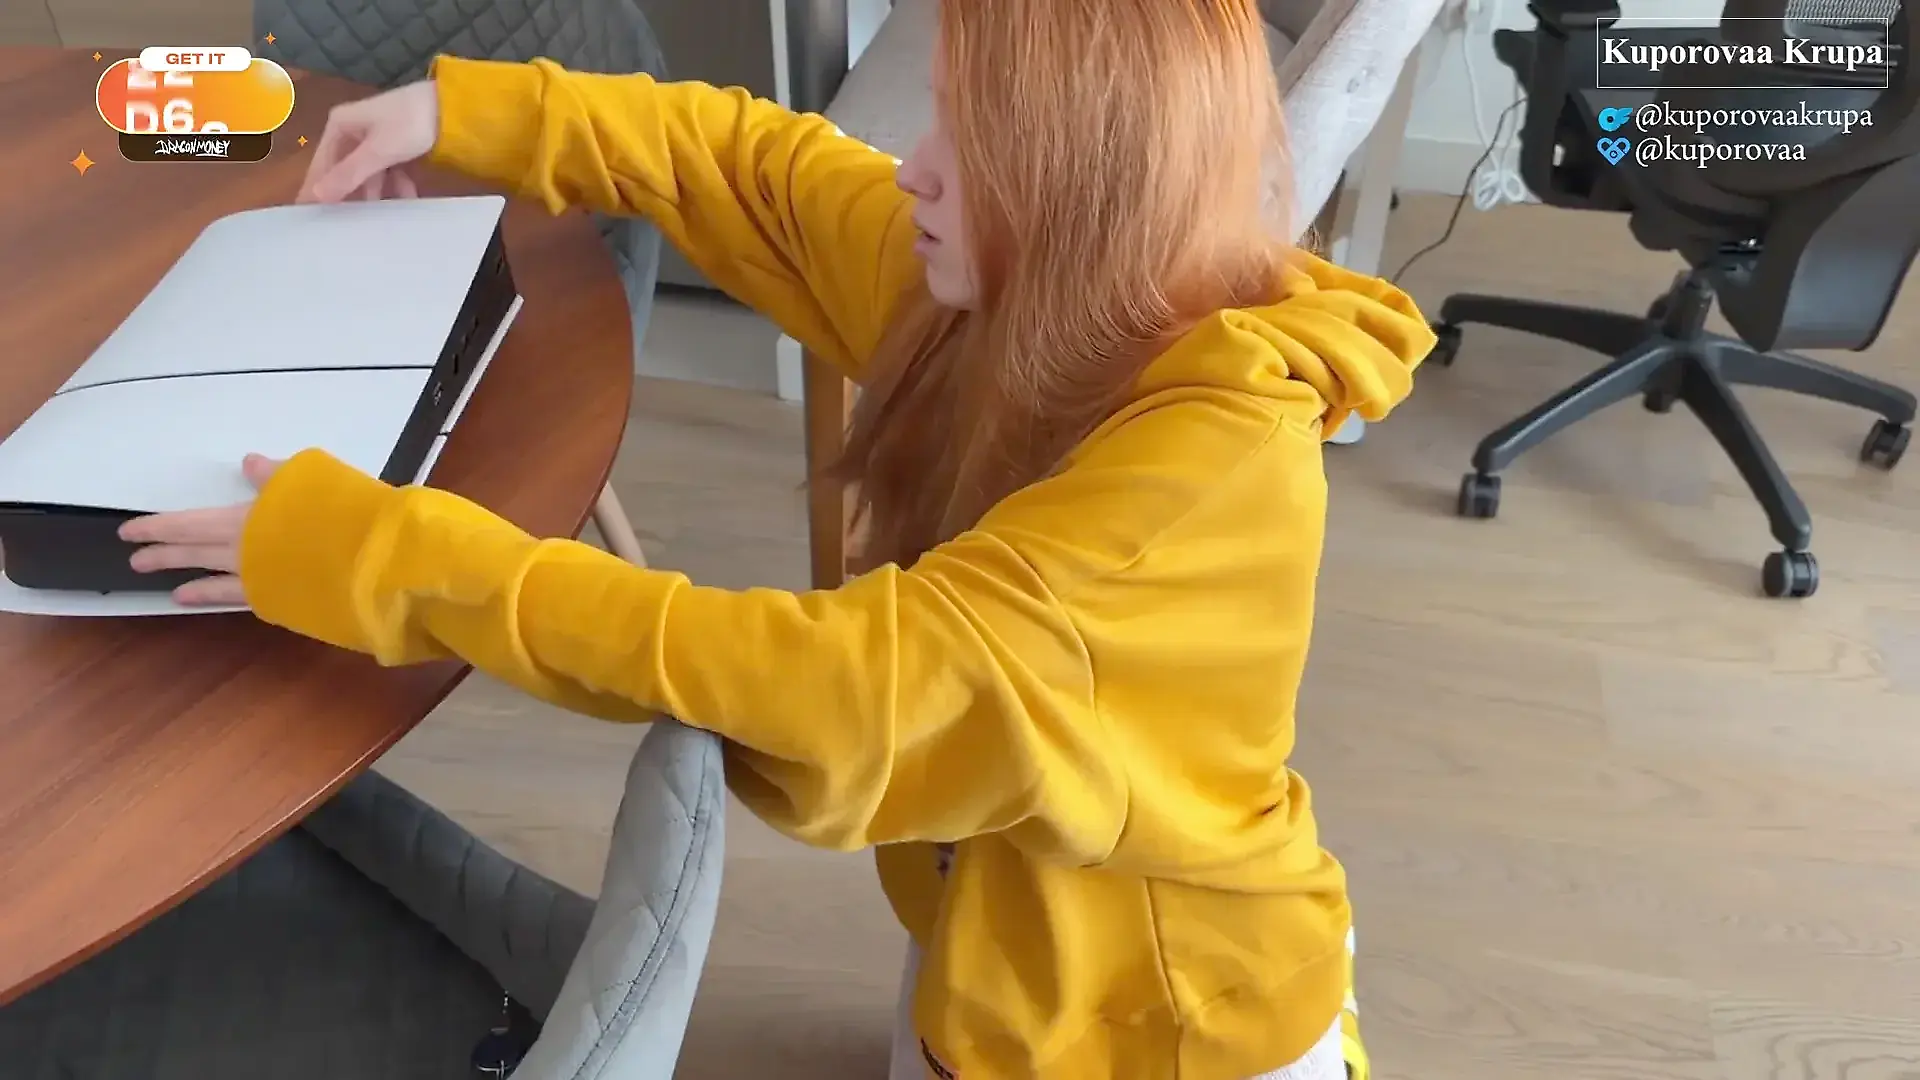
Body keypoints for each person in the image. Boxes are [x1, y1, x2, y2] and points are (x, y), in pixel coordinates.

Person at [120, 0, 1433, 1075]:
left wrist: (379, 556)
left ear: (1081, 184)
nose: (915, 168)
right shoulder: (1049, 293)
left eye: (972, 143)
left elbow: (827, 691)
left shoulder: (1192, 502)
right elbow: (757, 169)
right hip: (1001, 938)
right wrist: (461, 114)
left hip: (1166, 1024)